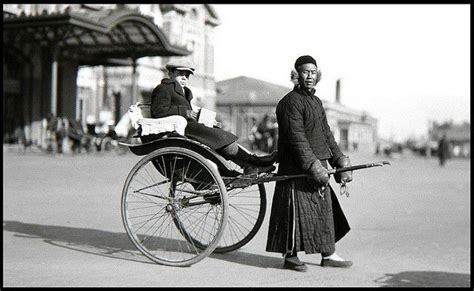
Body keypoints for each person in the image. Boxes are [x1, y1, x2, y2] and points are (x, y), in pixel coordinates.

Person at [266, 55, 353, 272]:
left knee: (324, 212)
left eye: (313, 72)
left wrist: (339, 160)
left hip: (318, 165)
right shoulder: (289, 103)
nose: (309, 76)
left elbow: (326, 135)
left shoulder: (316, 102)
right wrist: (312, 165)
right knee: (292, 216)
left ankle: (329, 254)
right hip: (296, 168)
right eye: (305, 72)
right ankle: (290, 257)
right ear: (296, 75)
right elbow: (297, 138)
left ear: (318, 75)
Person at [147, 60, 278, 175]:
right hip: (183, 131)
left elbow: (192, 112)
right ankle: (252, 163)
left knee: (223, 136)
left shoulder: (183, 91)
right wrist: (185, 112)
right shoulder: (163, 88)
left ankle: (251, 163)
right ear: (170, 73)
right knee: (220, 138)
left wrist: (208, 120)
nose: (184, 78)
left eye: (187, 76)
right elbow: (158, 112)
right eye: (180, 74)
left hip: (190, 128)